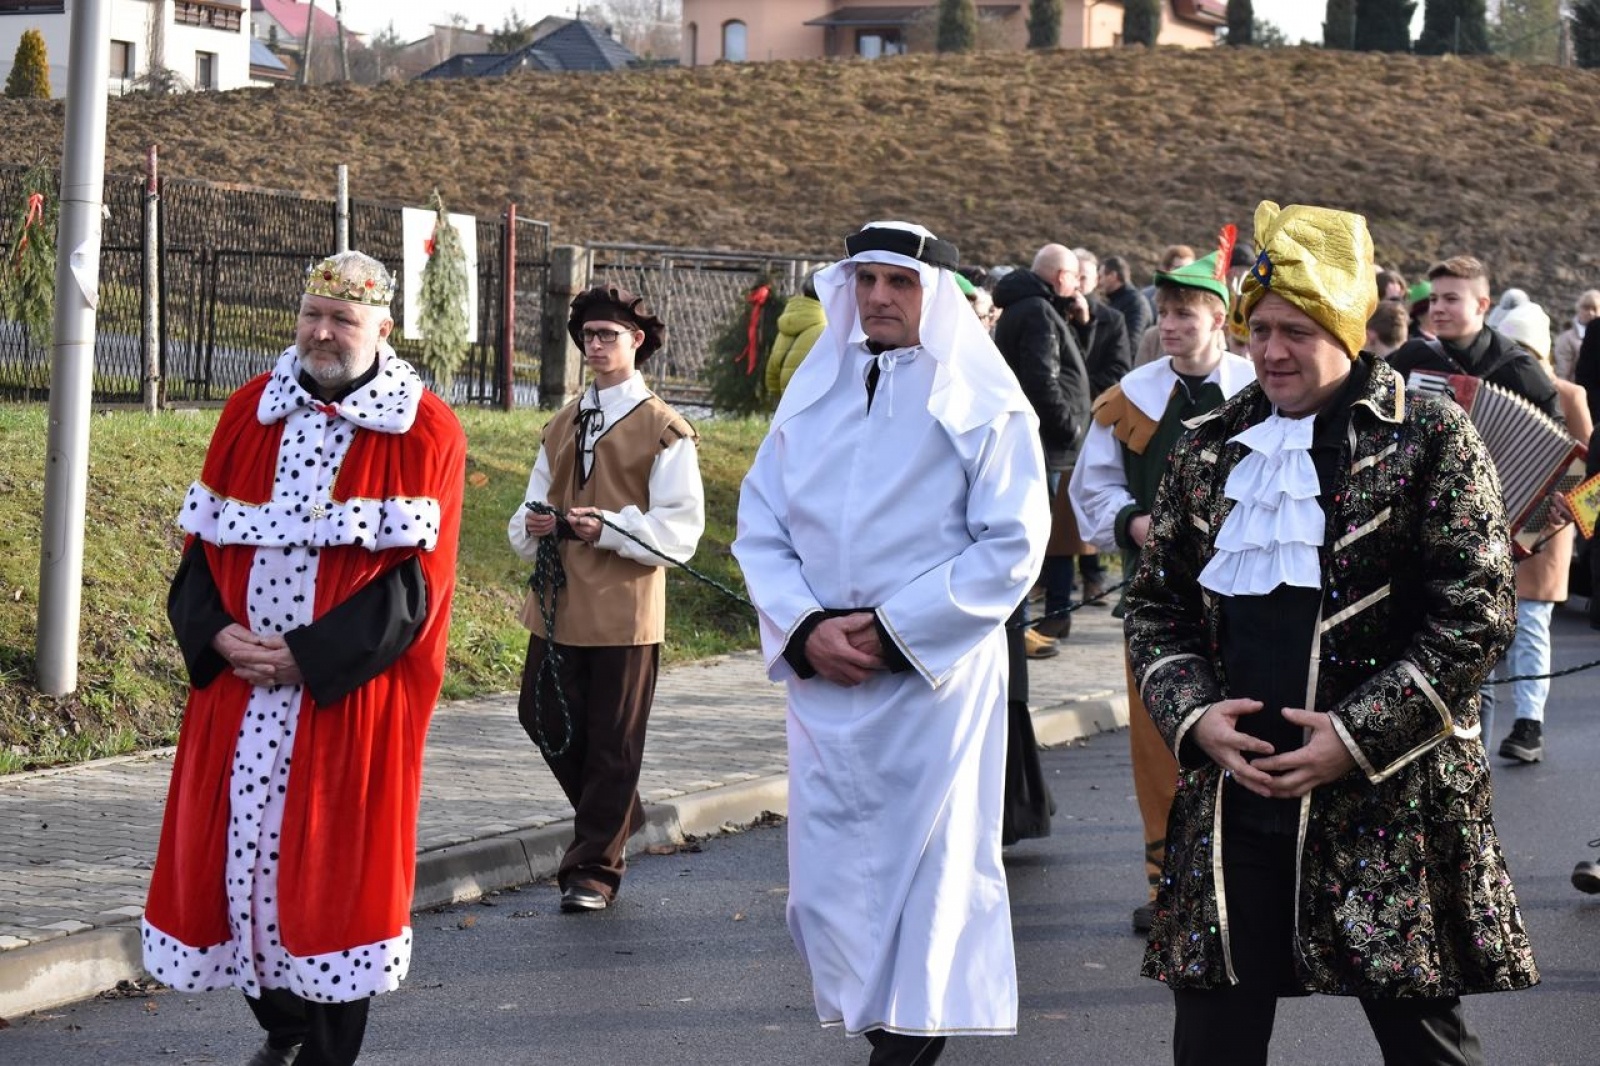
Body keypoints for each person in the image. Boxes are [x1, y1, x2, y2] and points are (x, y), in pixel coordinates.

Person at [1124, 201, 1538, 1066]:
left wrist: (1352, 738)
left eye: (1298, 331)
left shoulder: (1430, 436)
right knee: (1212, 1047)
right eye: (1260, 328)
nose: (1271, 351)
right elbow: (1155, 604)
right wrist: (1197, 718)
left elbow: (1477, 608)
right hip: (1234, 799)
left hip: (1387, 796)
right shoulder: (1210, 446)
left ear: (1348, 330)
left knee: (1424, 1049)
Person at [733, 220, 1050, 1066]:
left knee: (926, 890)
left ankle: (906, 1050)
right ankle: (883, 1033)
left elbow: (1012, 542)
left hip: (928, 689)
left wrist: (893, 630)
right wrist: (804, 628)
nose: (878, 297)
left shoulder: (986, 403)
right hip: (825, 685)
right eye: (866, 280)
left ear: (935, 298)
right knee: (827, 898)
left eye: (900, 283)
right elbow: (760, 523)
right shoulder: (818, 388)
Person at [144, 251, 467, 1066]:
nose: (323, 333)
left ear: (382, 328)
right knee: (236, 871)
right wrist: (217, 634)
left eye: (344, 320)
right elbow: (201, 551)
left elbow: (416, 591)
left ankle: (322, 1050)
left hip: (343, 699)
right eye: (313, 315)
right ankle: (282, 1029)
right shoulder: (249, 409)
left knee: (333, 882)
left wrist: (304, 657)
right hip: (239, 697)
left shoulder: (425, 428)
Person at [1068, 244, 1255, 935]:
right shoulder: (1132, 399)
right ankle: (1169, 880)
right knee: (1158, 738)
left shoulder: (1259, 392)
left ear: (1218, 320)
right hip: (1159, 598)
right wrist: (1131, 520)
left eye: (1184, 314)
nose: (1169, 325)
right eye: (1165, 313)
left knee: (1243, 728)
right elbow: (1093, 484)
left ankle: (1244, 872)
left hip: (1247, 596)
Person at [509, 284, 705, 914]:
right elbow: (529, 507)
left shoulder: (664, 430)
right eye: (588, 337)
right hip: (559, 602)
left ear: (636, 342)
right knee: (540, 718)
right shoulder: (563, 423)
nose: (595, 347)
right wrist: (536, 521)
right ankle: (619, 811)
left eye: (607, 336)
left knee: (613, 741)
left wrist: (610, 528)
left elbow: (681, 531)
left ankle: (593, 867)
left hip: (625, 605)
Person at [1486, 299, 1593, 764]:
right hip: (1486, 523)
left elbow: (1588, 470)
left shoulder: (1569, 395)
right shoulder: (1487, 387)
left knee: (1530, 624)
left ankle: (1529, 724)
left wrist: (1558, 513)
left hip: (1539, 528)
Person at [993, 243, 1094, 641]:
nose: (1080, 284)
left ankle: (1044, 617)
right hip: (1050, 442)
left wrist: (1081, 324)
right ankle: (1045, 616)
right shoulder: (1038, 311)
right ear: (1060, 277)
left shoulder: (1033, 306)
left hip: (1046, 439)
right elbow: (1043, 377)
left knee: (1053, 533)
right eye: (1075, 276)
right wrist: (1069, 427)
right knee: (1049, 535)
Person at [765, 271, 826, 402]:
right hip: (814, 409)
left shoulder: (787, 324)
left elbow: (772, 374)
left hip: (787, 406)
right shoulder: (827, 330)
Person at [1099, 254, 1154, 346]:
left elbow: (1133, 342)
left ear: (1113, 276)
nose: (1099, 282)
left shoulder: (1136, 303)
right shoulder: (1117, 300)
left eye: (1101, 277)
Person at [1553, 288, 1599, 382]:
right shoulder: (1567, 338)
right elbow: (1563, 371)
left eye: (1594, 309)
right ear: (1579, 309)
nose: (1590, 313)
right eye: (1586, 308)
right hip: (1576, 389)